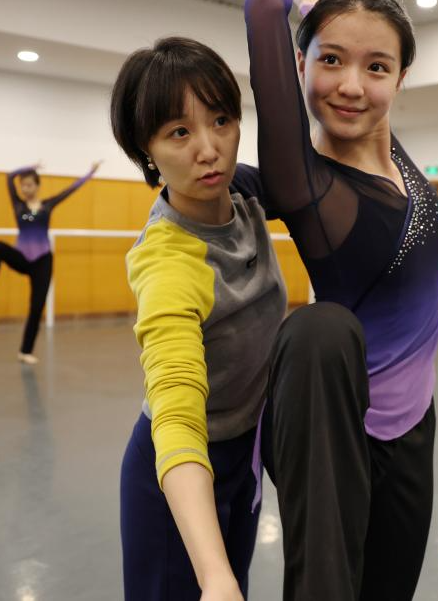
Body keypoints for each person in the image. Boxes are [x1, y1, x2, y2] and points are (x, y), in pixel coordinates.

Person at [238, 0, 438, 597]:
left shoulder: (391, 153)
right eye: (329, 62)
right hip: (346, 442)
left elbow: (355, 61)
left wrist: (323, 17)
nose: (352, 86)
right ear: (300, 66)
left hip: (414, 427)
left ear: (401, 78)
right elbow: (262, 7)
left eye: (376, 68)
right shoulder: (311, 187)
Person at [112, 36, 287, 601]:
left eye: (221, 121)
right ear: (147, 151)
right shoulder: (168, 262)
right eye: (179, 132)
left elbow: (320, 169)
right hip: (179, 476)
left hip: (244, 457)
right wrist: (214, 576)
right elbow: (176, 403)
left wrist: (315, 41)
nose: (209, 149)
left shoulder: (244, 194)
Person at [0, 160, 99, 364]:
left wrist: (90, 173)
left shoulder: (47, 205)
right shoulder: (18, 204)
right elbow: (9, 177)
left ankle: (25, 351)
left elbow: (70, 190)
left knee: (36, 307)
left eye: (29, 185)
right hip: (22, 257)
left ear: (37, 186)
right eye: (23, 186)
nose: (25, 189)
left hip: (43, 261)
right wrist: (29, 167)